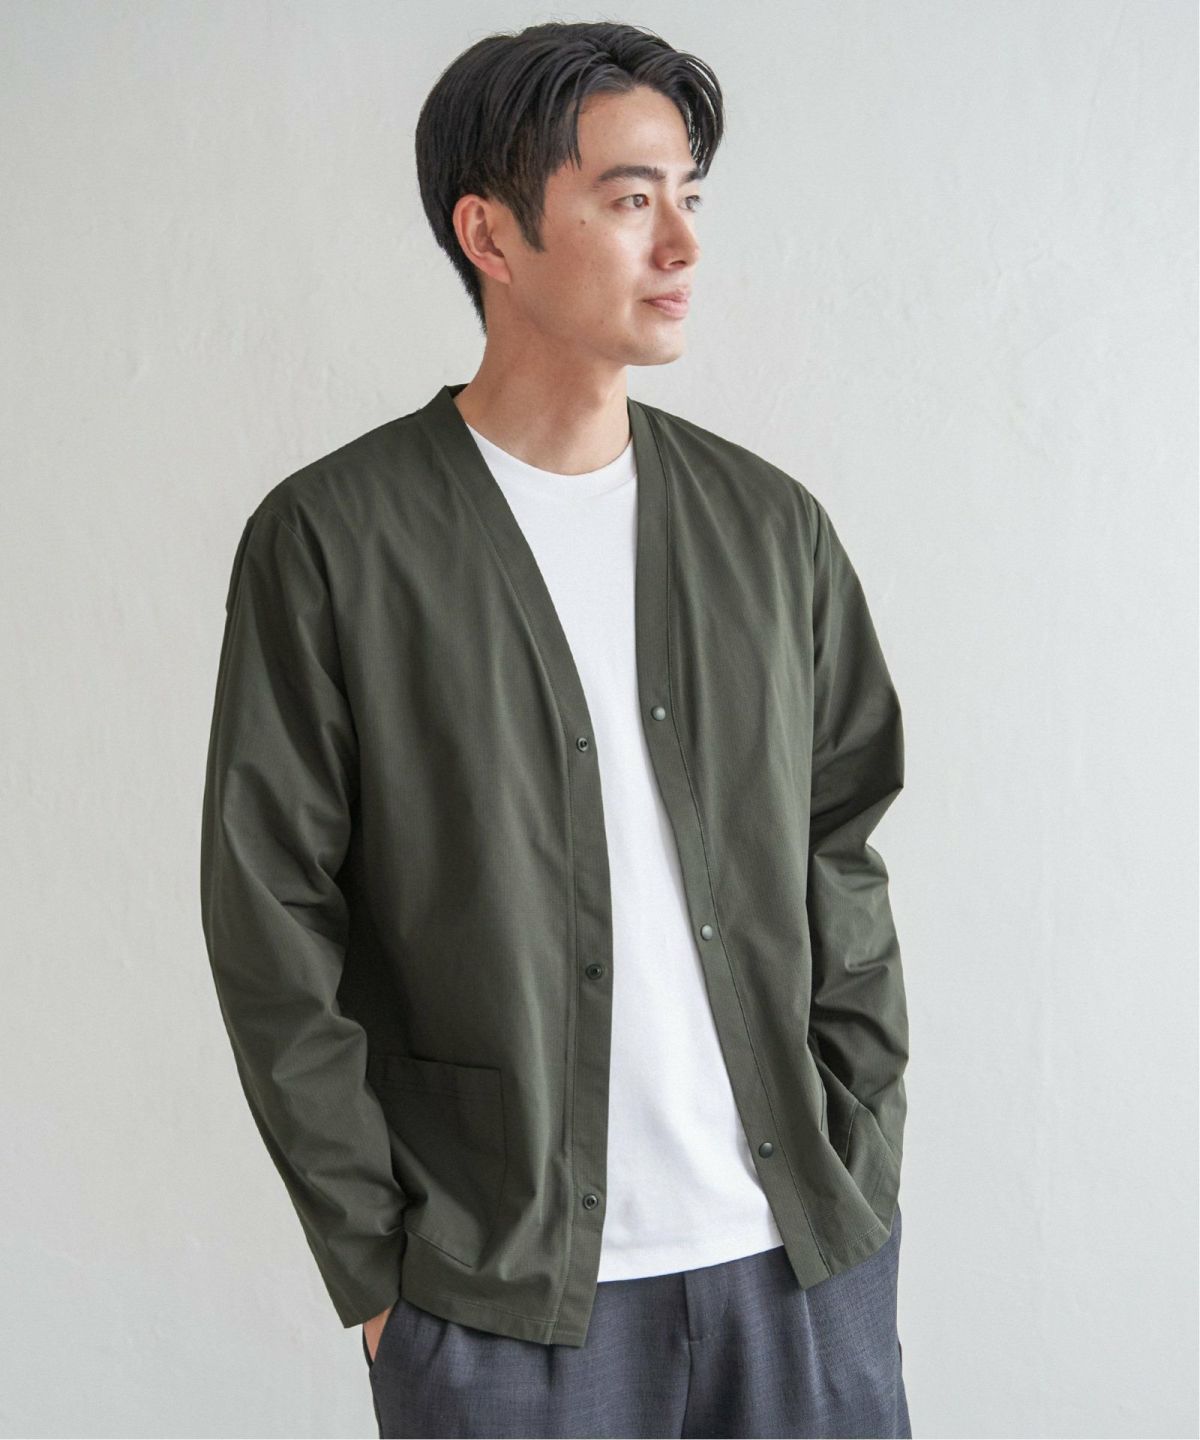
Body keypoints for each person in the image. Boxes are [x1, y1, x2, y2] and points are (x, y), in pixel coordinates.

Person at [200, 19, 912, 1439]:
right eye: (631, 199)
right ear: (492, 235)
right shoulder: (335, 542)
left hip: (796, 1273)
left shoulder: (771, 532)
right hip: (500, 1304)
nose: (682, 244)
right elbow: (270, 914)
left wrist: (862, 1157)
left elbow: (843, 847)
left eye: (689, 197)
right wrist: (376, 1270)